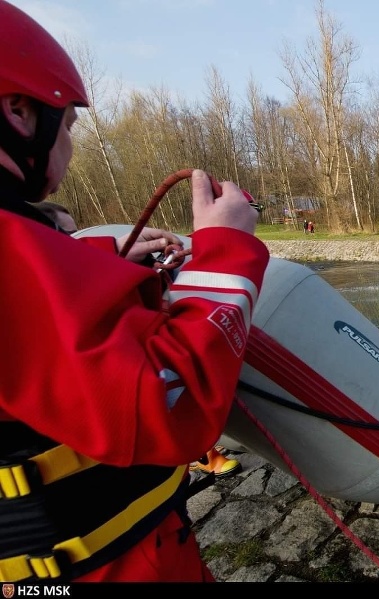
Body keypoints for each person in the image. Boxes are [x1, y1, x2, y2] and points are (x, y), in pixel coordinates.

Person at [0, 0, 269, 583]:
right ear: (18, 112)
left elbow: (38, 338)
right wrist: (225, 252)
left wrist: (99, 264)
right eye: (66, 126)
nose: (68, 149)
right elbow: (166, 407)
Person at [35, 201, 243, 480]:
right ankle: (204, 454)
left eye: (77, 236)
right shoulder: (39, 318)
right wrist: (229, 254)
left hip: (151, 490)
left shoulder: (69, 288)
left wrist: (121, 259)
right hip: (93, 485)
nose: (74, 244)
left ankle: (199, 456)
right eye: (65, 237)